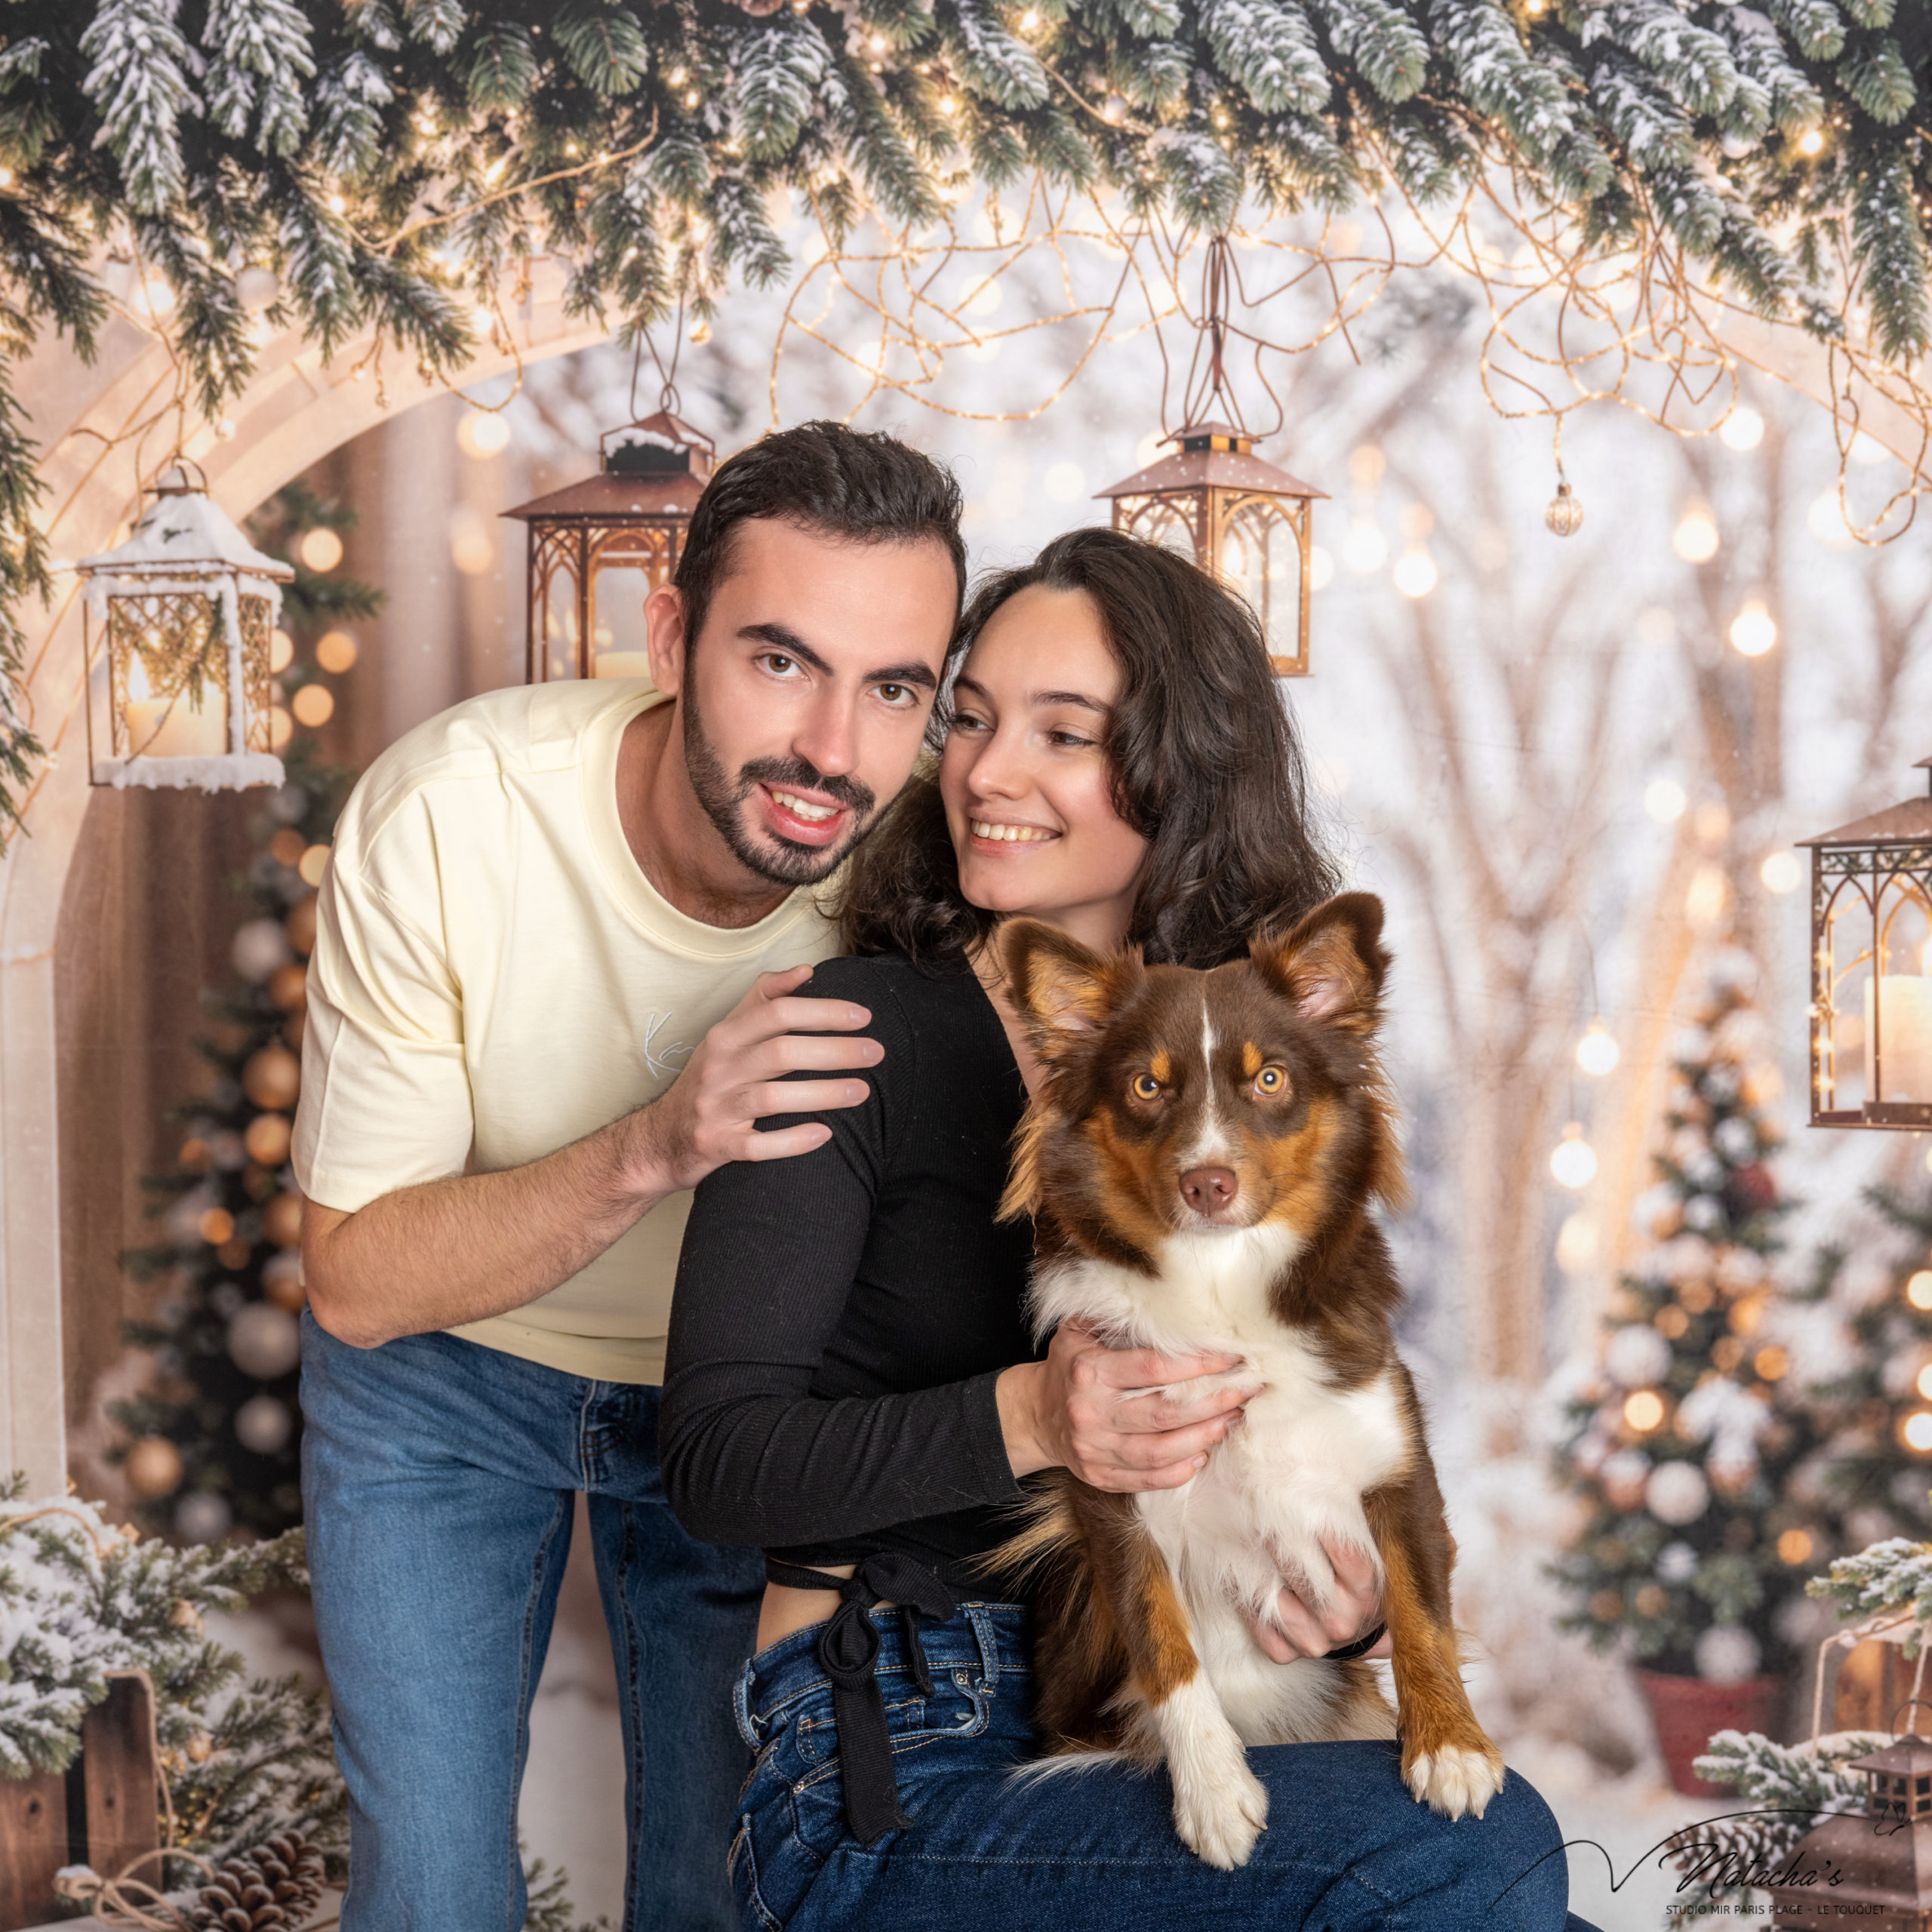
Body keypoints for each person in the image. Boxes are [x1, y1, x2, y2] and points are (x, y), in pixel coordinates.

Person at [660, 527, 1598, 1930]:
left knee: (1513, 1888)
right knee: (1481, 1849)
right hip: (893, 1755)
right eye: (970, 718)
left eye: (1063, 733)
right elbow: (716, 1468)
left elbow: (1329, 1428)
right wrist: (1036, 1416)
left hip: (1209, 1686)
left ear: (1179, 770)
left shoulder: (1263, 1067)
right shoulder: (844, 1035)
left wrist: (1342, 1610)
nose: (987, 772)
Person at [292, 422, 968, 1932]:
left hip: (752, 1405)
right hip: (444, 1372)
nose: (831, 748)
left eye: (893, 688)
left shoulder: (928, 873)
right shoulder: (452, 815)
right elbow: (355, 1276)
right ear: (670, 635)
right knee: (432, 1891)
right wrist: (660, 1142)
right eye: (779, 660)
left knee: (727, 1890)